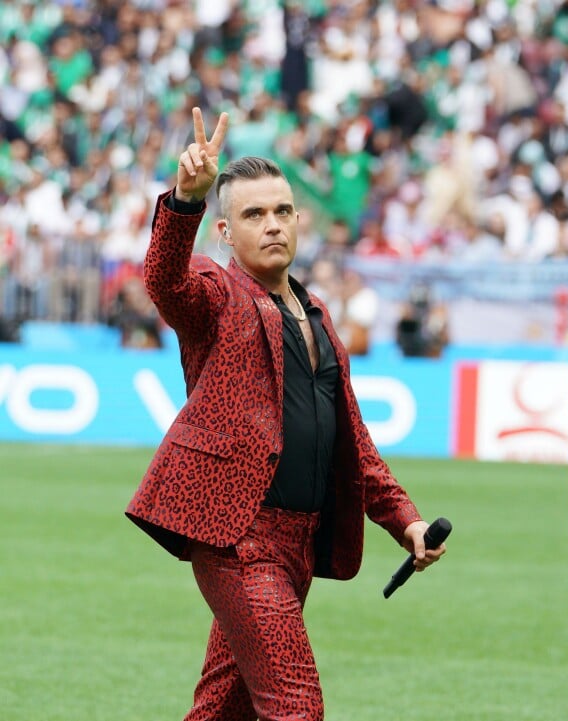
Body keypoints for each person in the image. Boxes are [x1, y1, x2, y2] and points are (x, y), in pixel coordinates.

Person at [125, 107, 447, 721]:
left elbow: (352, 438)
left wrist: (403, 519)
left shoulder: (318, 312)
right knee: (297, 708)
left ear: (299, 218)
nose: (272, 225)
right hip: (238, 540)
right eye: (253, 214)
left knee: (221, 711)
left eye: (281, 211)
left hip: (299, 544)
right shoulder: (216, 296)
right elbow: (165, 283)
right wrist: (183, 203)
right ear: (225, 231)